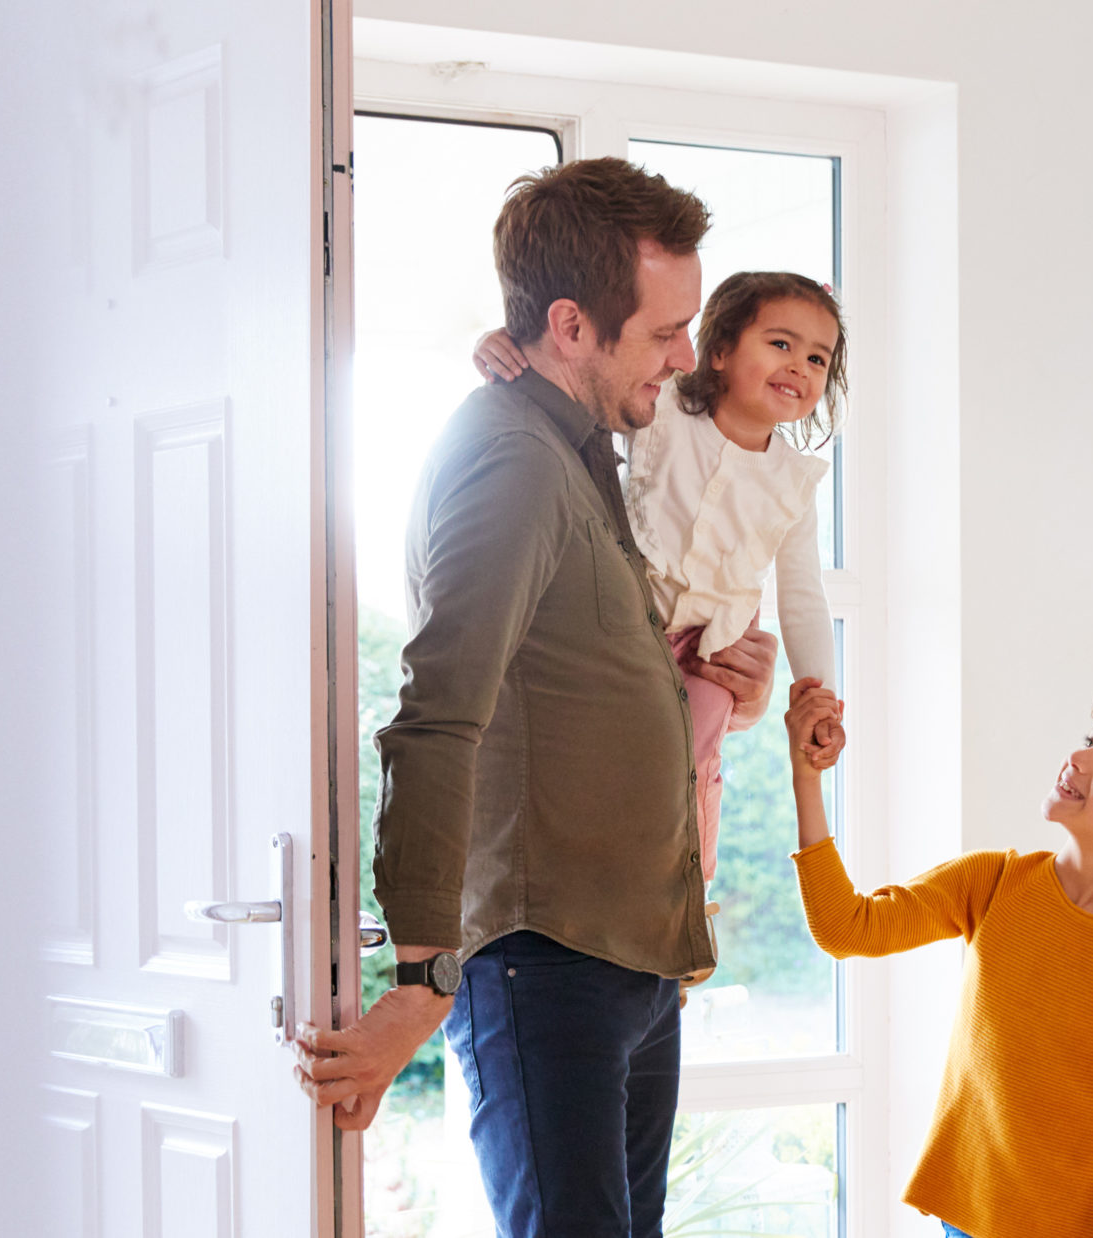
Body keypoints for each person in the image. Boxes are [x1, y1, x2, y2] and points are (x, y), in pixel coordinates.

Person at [290, 157, 780, 1238]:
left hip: (630, 960)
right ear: (571, 325)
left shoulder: (585, 450)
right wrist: (421, 974)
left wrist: (710, 680)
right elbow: (438, 711)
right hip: (542, 961)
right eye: (663, 333)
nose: (687, 358)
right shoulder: (507, 458)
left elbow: (585, 673)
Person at [781, 677, 1093, 1238]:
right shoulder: (992, 883)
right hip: (971, 1215)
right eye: (1090, 737)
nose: (1078, 756)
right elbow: (849, 928)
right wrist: (807, 779)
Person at [473, 271, 850, 887]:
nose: (800, 367)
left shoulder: (793, 482)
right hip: (620, 626)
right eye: (781, 345)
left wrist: (819, 697)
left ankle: (686, 894)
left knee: (694, 754)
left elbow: (805, 599)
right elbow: (575, 394)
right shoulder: (664, 408)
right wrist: (503, 348)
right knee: (600, 755)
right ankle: (579, 864)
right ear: (720, 351)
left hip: (706, 649)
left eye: (817, 358)